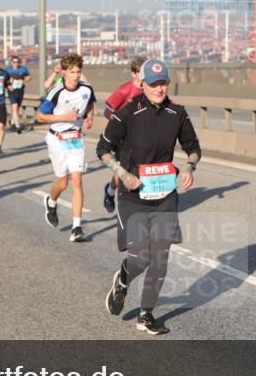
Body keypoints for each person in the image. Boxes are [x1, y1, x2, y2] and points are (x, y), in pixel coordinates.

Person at [96, 59, 201, 336]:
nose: (159, 88)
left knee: (161, 258)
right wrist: (123, 174)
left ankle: (146, 315)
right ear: (142, 84)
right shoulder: (127, 114)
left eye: (163, 83)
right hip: (133, 196)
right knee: (141, 258)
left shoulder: (177, 113)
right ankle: (122, 280)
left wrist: (189, 168)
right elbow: (103, 149)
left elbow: (193, 148)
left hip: (165, 195)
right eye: (153, 84)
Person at [37, 54, 96, 243]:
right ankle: (51, 201)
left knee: (77, 181)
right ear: (64, 72)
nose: (76, 75)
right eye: (72, 72)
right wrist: (65, 118)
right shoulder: (56, 91)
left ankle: (76, 227)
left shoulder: (86, 89)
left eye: (78, 71)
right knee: (62, 183)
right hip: (57, 139)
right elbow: (40, 117)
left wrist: (89, 117)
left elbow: (90, 103)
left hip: (75, 138)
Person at [100, 57, 145, 212]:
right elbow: (107, 111)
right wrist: (120, 124)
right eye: (140, 72)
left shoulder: (151, 90)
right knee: (124, 169)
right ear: (133, 73)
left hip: (143, 137)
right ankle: (110, 192)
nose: (143, 75)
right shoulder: (125, 90)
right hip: (124, 138)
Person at [5, 55, 31, 133]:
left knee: (17, 108)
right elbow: (4, 81)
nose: (16, 63)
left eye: (17, 62)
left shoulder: (23, 69)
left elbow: (28, 77)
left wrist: (23, 80)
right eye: (14, 62)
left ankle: (13, 121)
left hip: (20, 90)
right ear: (11, 63)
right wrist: (9, 83)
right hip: (12, 91)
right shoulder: (8, 70)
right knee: (15, 106)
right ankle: (17, 126)